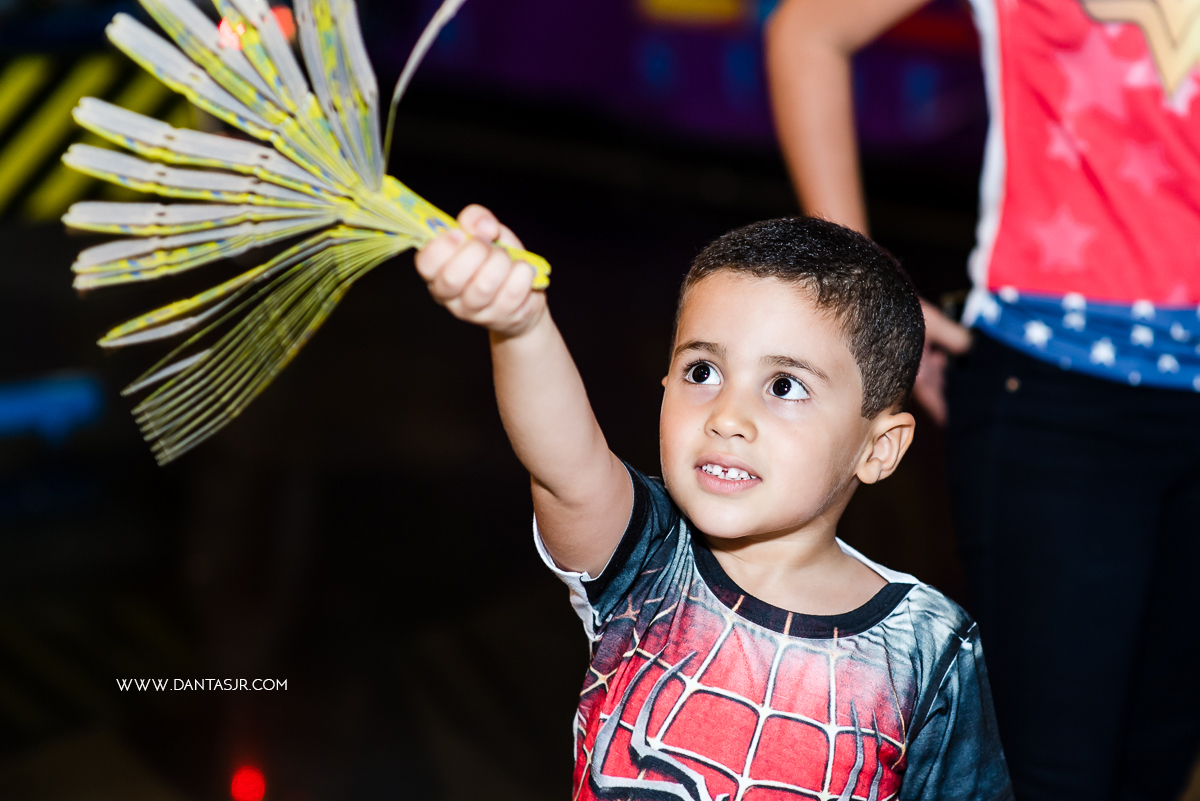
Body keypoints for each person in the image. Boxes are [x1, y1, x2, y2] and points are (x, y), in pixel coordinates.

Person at [414, 206, 1011, 800]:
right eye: (702, 371)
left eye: (784, 386)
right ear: (665, 387)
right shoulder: (647, 559)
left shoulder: (932, 648)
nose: (727, 417)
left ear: (878, 449)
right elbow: (565, 466)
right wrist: (521, 326)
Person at [764, 0, 1200, 799]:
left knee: (1159, 759)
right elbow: (809, 31)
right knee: (1048, 774)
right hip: (1060, 398)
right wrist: (870, 299)